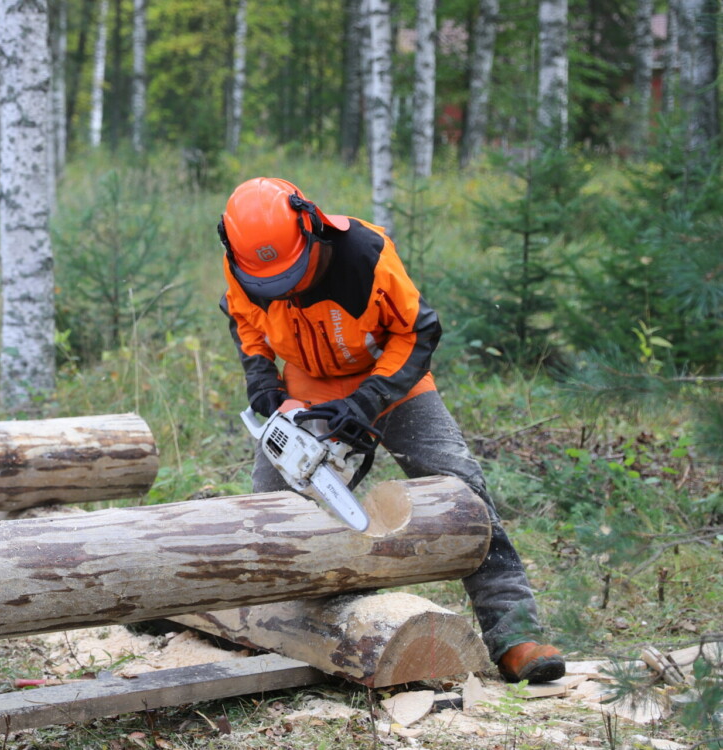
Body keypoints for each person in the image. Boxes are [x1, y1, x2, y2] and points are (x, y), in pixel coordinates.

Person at [216, 177, 565, 685]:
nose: (283, 286)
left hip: (389, 375)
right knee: (270, 503)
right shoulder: (243, 264)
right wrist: (262, 380)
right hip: (308, 383)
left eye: (290, 272)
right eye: (270, 280)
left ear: (311, 228)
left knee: (459, 484)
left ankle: (515, 634)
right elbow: (245, 321)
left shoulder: (364, 254)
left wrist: (368, 401)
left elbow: (418, 330)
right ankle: (277, 627)